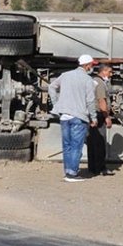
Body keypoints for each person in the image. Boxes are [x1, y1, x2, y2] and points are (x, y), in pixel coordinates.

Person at [48, 54, 98, 182]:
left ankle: (68, 171)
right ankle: (72, 173)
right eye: (91, 65)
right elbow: (91, 101)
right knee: (76, 146)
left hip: (64, 116)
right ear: (87, 65)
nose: (92, 67)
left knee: (67, 145)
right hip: (79, 116)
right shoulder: (87, 80)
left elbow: (51, 87)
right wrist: (93, 117)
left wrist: (56, 104)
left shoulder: (65, 75)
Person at [87, 63, 115, 176]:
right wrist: (106, 117)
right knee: (100, 142)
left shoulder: (94, 81)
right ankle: (100, 167)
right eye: (110, 72)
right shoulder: (100, 83)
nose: (111, 74)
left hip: (92, 114)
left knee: (92, 141)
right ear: (103, 71)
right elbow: (101, 100)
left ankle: (93, 167)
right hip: (99, 114)